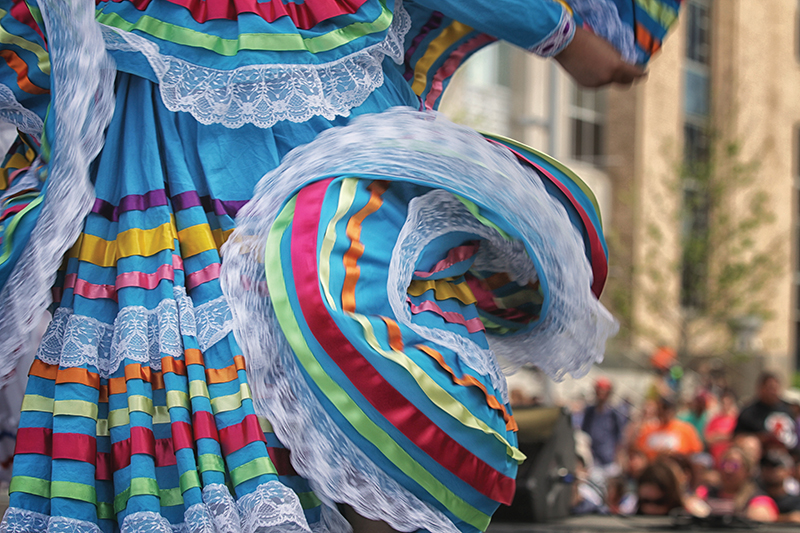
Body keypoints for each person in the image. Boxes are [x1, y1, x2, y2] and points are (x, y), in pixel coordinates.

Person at [0, 1, 681, 532]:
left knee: (325, 348)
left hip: (248, 96)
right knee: (261, 383)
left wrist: (558, 33)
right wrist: (560, 35)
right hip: (184, 102)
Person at [735, 372, 799, 452]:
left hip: (788, 455)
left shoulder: (788, 409)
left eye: (775, 388)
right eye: (770, 388)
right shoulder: (749, 412)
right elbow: (737, 437)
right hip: (762, 456)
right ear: (761, 388)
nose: (773, 392)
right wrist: (762, 438)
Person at [634, 395, 703, 462]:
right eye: (661, 409)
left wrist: (675, 454)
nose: (664, 412)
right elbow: (639, 450)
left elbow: (695, 452)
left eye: (667, 409)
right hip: (652, 468)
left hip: (677, 466)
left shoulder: (685, 429)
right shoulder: (649, 429)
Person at [581, 377, 624, 473]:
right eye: (599, 392)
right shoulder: (589, 412)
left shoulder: (614, 414)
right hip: (593, 461)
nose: (601, 396)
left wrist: (618, 459)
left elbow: (619, 438)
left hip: (609, 461)